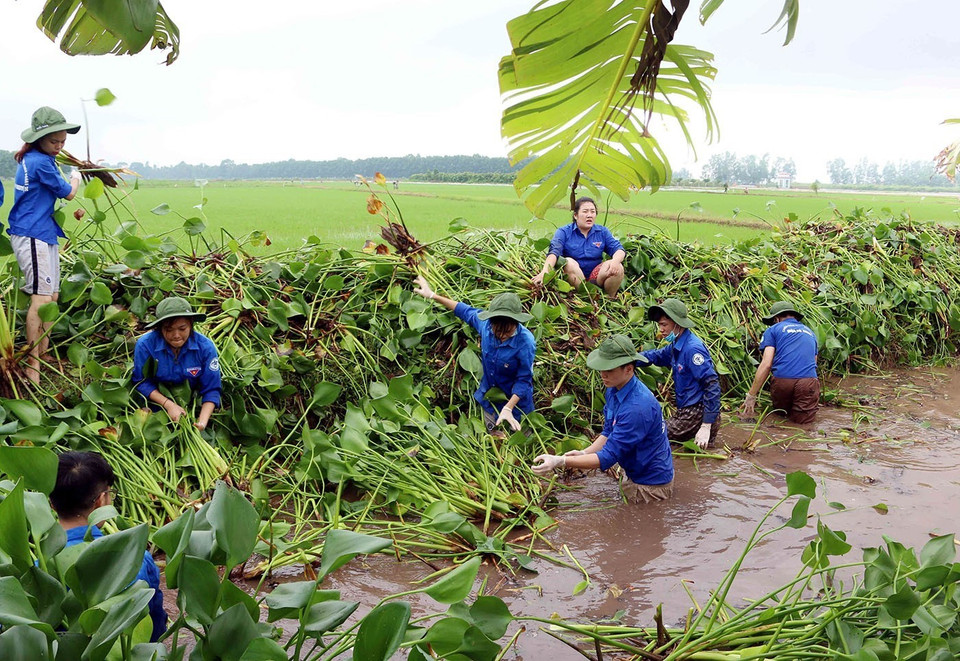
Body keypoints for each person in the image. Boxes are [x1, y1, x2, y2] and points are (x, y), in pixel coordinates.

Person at [531, 334, 674, 502]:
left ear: (628, 369)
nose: (603, 375)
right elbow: (608, 432)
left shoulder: (637, 408)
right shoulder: (614, 388)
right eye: (602, 369)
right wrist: (584, 452)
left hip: (650, 485)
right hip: (636, 470)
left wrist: (561, 461)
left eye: (609, 370)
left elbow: (607, 457)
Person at [50, 451, 167, 642]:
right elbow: (155, 628)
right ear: (101, 500)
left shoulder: (39, 568)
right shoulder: (137, 557)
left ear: (51, 504)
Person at [5, 107, 83, 384]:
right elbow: (69, 194)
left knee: (52, 296)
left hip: (44, 232)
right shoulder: (39, 162)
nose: (59, 146)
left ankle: (44, 352)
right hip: (31, 233)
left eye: (63, 141)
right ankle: (32, 366)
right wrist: (76, 175)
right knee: (40, 299)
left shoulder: (38, 158)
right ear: (40, 139)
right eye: (54, 141)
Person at [413, 275, 535, 436]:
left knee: (520, 442)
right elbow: (463, 310)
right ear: (491, 323)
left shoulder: (525, 342)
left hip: (517, 406)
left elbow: (524, 379)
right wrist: (432, 295)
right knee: (494, 440)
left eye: (507, 332)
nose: (501, 336)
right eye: (497, 331)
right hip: (490, 399)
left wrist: (508, 408)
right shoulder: (486, 326)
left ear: (516, 324)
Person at [641, 299, 721, 449]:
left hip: (696, 412)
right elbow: (657, 356)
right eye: (659, 325)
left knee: (653, 435)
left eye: (664, 325)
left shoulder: (692, 349)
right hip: (688, 411)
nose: (661, 330)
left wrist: (706, 425)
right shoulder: (676, 345)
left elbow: (712, 384)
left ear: (677, 323)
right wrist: (632, 359)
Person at [132, 297, 222, 430]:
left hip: (191, 406)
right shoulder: (145, 345)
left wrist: (202, 422)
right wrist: (168, 405)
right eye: (169, 330)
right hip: (153, 406)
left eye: (182, 328)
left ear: (191, 325)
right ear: (159, 328)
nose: (176, 335)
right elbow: (141, 381)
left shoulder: (205, 347)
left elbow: (212, 388)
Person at [531, 196, 626, 297]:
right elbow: (554, 252)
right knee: (568, 262)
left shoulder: (602, 232)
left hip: (596, 276)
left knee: (618, 267)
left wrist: (615, 261)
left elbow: (619, 249)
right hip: (574, 278)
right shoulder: (563, 232)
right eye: (585, 211)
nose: (589, 215)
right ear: (576, 215)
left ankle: (609, 298)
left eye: (592, 212)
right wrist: (545, 272)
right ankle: (586, 296)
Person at [742, 301, 820, 423]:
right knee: (804, 424)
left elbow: (766, 364)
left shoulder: (773, 330)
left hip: (783, 381)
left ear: (777, 318)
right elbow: (814, 363)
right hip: (808, 382)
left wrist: (751, 395)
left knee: (781, 418)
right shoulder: (810, 332)